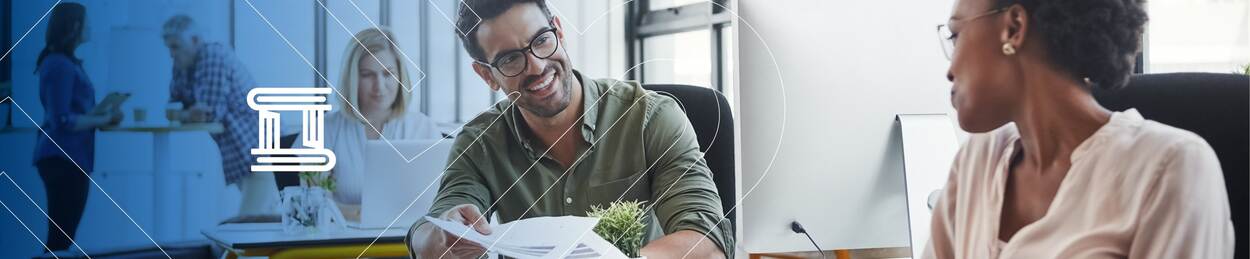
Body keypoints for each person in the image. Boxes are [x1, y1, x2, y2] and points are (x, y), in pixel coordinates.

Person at [406, 1, 733, 258]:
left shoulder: (650, 116)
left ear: (559, 32)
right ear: (486, 75)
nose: (536, 66)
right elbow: (433, 229)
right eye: (509, 60)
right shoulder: (480, 143)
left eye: (541, 41)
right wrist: (438, 237)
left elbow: (707, 240)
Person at [926, 0, 1235, 258]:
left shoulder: (1170, 168)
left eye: (955, 35)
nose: (949, 70)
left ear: (1014, 28)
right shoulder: (975, 162)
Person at [306, 27, 441, 220]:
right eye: (368, 74)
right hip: (340, 245)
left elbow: (438, 202)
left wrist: (351, 212)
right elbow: (313, 204)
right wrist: (364, 215)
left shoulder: (423, 128)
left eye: (388, 74)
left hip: (407, 242)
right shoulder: (324, 130)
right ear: (352, 78)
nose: (379, 86)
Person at [32, 2, 122, 254]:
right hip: (62, 158)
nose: (90, 27)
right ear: (74, 26)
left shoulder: (67, 63)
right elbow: (62, 119)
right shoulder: (58, 64)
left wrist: (103, 113)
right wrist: (101, 120)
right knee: (60, 238)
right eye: (86, 21)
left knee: (64, 236)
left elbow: (75, 113)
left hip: (73, 157)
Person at [162, 15, 272, 216]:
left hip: (260, 151)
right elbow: (172, 106)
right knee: (261, 218)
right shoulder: (183, 64)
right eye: (169, 47)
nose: (171, 54)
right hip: (241, 154)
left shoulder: (212, 55)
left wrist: (183, 113)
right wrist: (186, 113)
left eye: (176, 47)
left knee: (249, 224)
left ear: (195, 40)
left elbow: (209, 113)